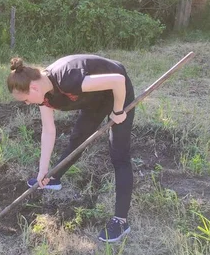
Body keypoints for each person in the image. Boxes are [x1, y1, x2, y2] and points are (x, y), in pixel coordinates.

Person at [7, 54, 135, 243]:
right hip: (94, 98)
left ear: (33, 87)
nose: (27, 104)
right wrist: (43, 170)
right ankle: (54, 177)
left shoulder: (67, 78)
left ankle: (121, 221)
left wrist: (117, 111)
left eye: (25, 100)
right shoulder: (43, 94)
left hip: (118, 91)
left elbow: (118, 80)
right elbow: (49, 131)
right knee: (78, 137)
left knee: (119, 154)